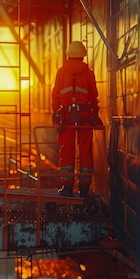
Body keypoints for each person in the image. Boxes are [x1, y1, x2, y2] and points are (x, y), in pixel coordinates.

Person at [51, 41, 102, 198]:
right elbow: (94, 97)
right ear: (82, 56)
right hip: (85, 120)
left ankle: (67, 188)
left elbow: (56, 96)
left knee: (66, 150)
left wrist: (56, 112)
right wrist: (96, 115)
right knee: (85, 151)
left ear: (69, 55)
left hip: (66, 120)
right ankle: (84, 189)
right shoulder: (89, 73)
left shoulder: (61, 72)